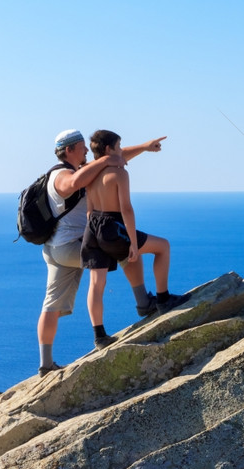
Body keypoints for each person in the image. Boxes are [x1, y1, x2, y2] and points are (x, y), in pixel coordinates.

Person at [38, 129, 166, 377]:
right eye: (82, 147)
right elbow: (75, 183)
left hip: (55, 248)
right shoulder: (62, 175)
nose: (86, 150)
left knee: (51, 305)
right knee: (129, 251)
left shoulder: (83, 168)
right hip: (74, 244)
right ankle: (144, 302)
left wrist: (144, 147)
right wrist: (108, 160)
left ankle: (45, 365)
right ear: (69, 150)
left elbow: (114, 156)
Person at [81, 129, 188, 350]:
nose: (121, 150)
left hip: (92, 229)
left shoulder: (88, 173)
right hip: (113, 225)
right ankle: (163, 299)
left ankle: (99, 336)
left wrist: (95, 233)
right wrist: (132, 242)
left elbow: (89, 211)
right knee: (163, 247)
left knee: (96, 283)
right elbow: (126, 209)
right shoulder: (119, 173)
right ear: (109, 149)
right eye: (119, 146)